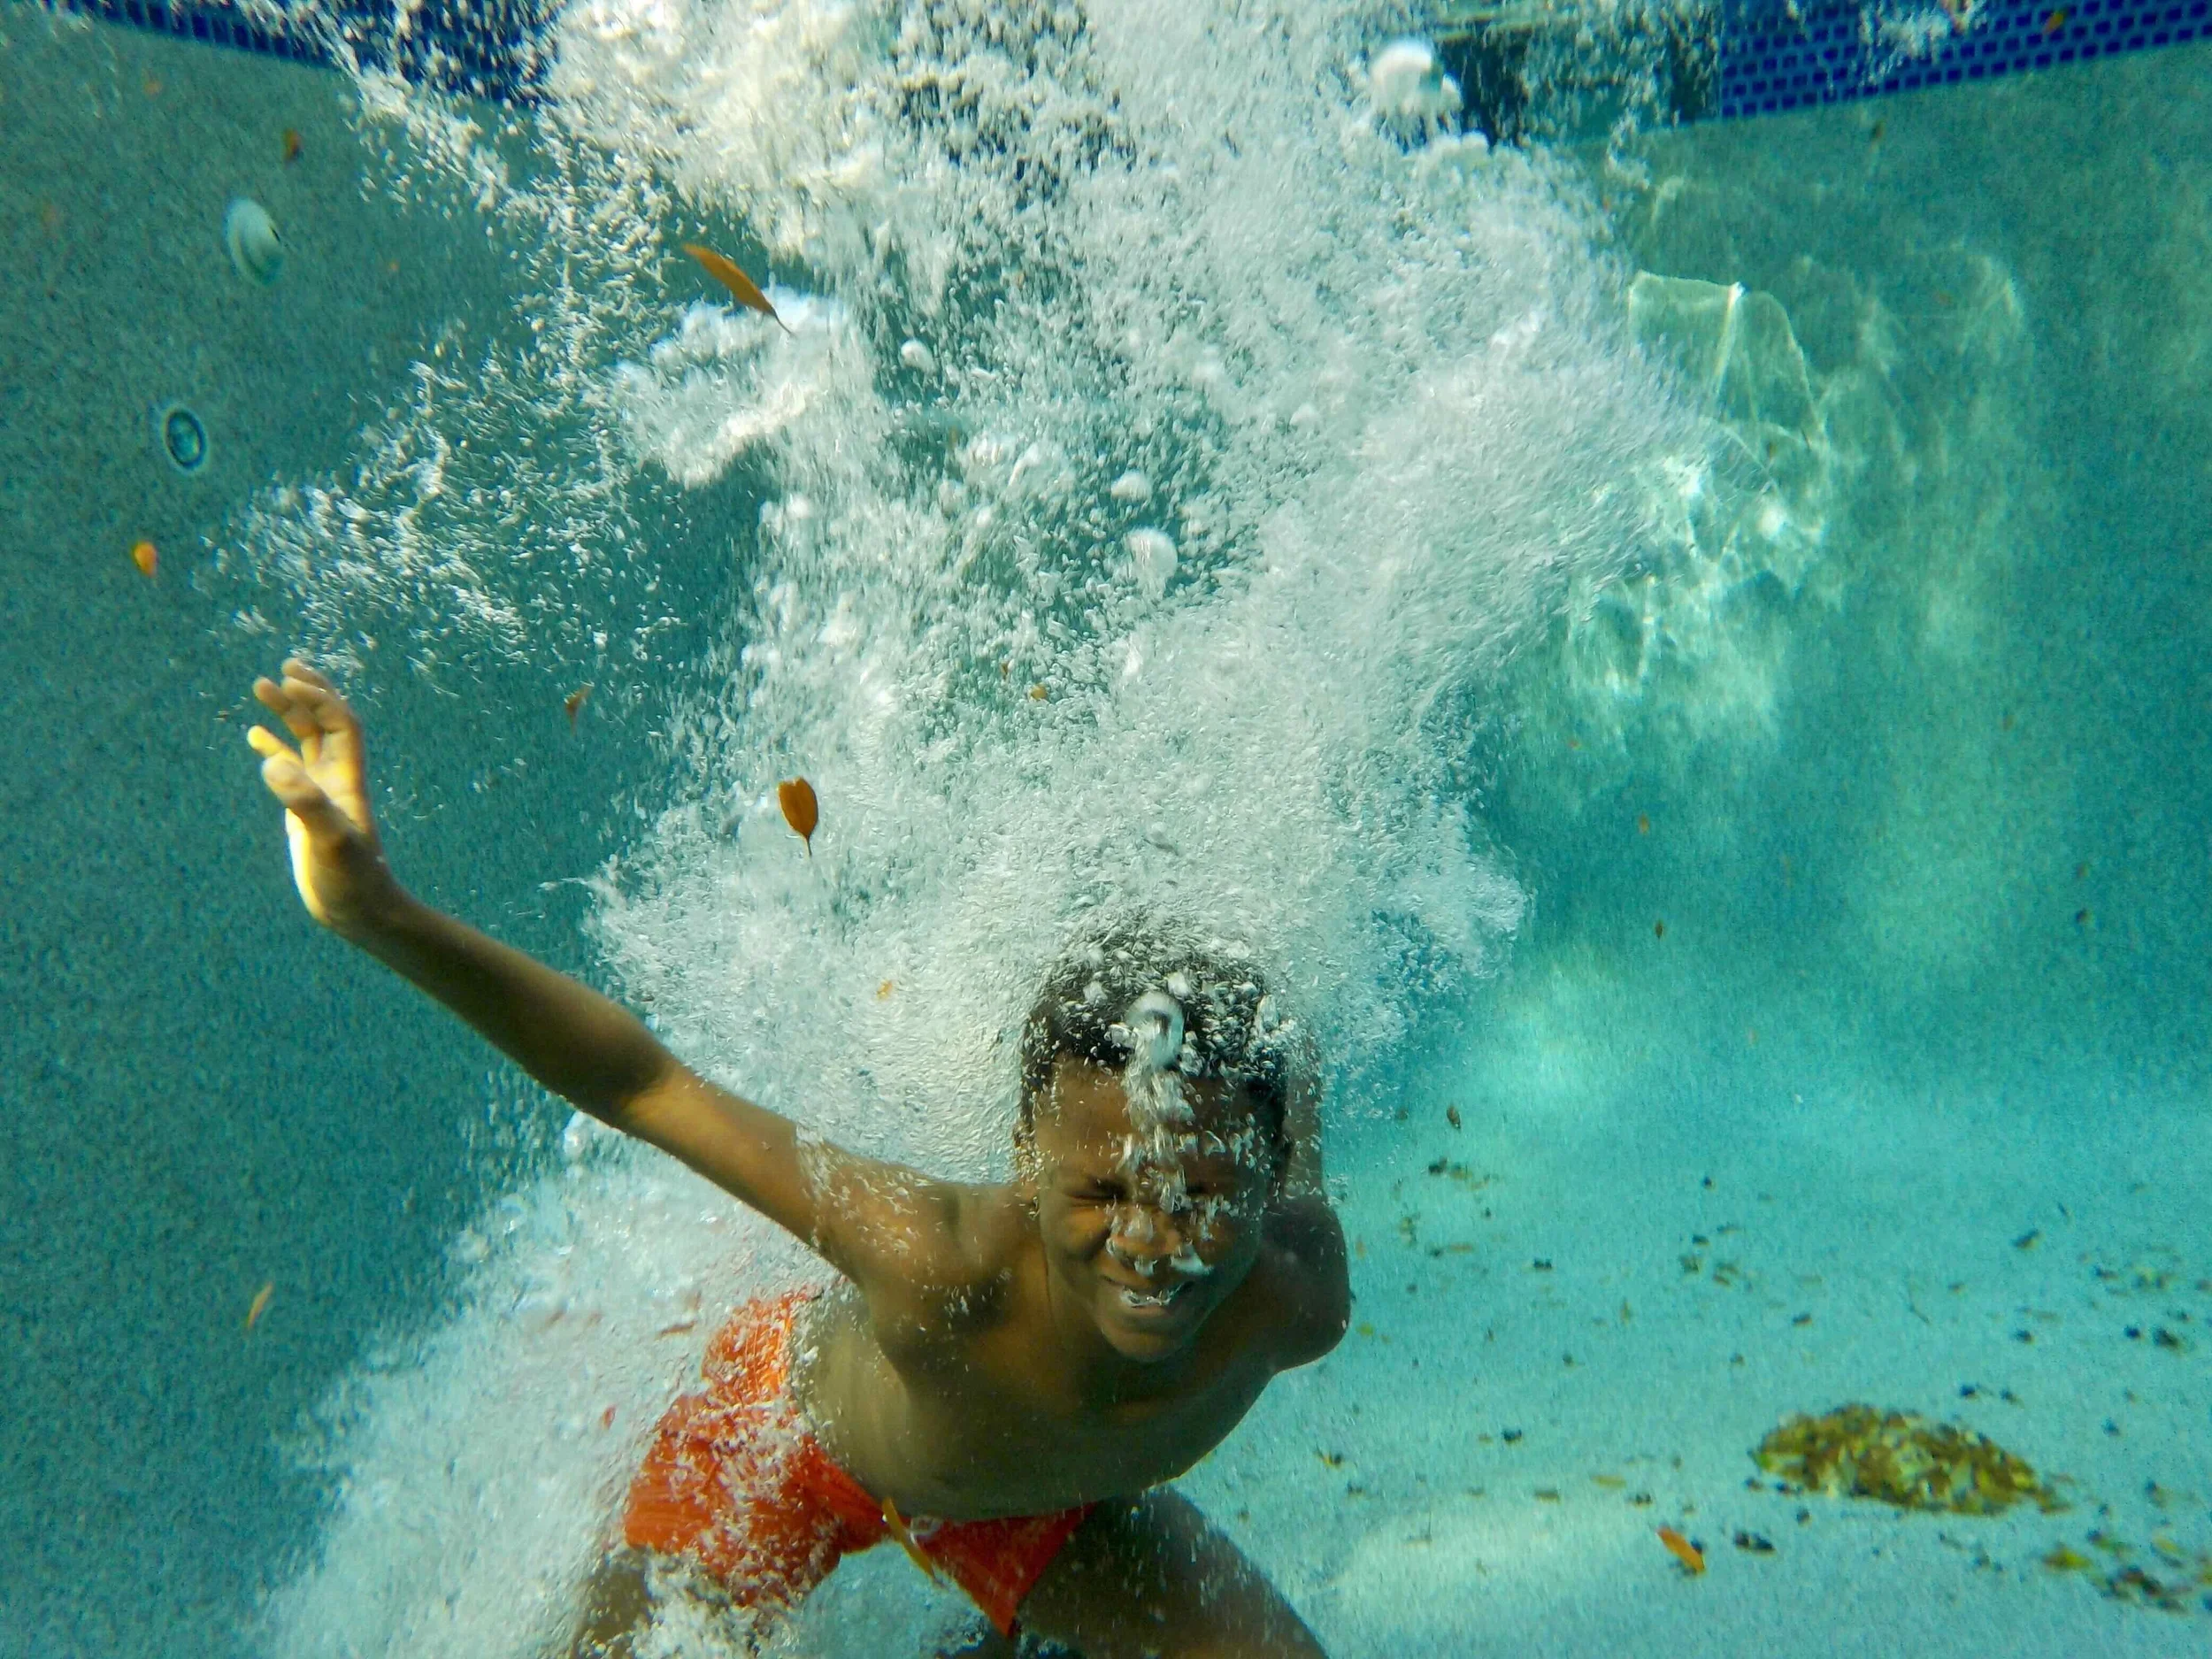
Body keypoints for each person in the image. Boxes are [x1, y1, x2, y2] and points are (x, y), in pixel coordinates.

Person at [245, 659, 1349, 1657]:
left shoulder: (1295, 1299)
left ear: (1263, 1182)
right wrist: (378, 913)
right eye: (1103, 1191)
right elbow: (645, 1084)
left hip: (1022, 1500)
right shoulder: (937, 1264)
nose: (1154, 1242)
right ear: (1024, 1159)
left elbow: (1287, 1108)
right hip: (786, 1442)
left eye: (1202, 1194)